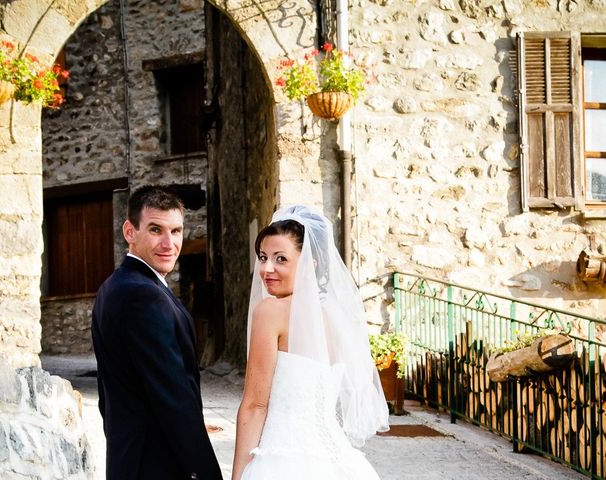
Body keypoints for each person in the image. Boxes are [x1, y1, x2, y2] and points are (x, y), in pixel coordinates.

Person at [232, 205, 389, 480]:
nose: (267, 268)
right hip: (337, 460)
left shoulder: (270, 312)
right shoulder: (334, 316)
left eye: (281, 259)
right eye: (263, 257)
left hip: (281, 459)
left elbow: (255, 405)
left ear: (309, 264)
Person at [92, 185, 222, 480]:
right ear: (130, 231)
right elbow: (174, 397)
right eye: (155, 229)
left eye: (176, 231)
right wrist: (207, 472)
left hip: (132, 458)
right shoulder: (142, 296)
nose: (169, 243)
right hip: (156, 465)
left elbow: (110, 395)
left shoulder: (114, 286)